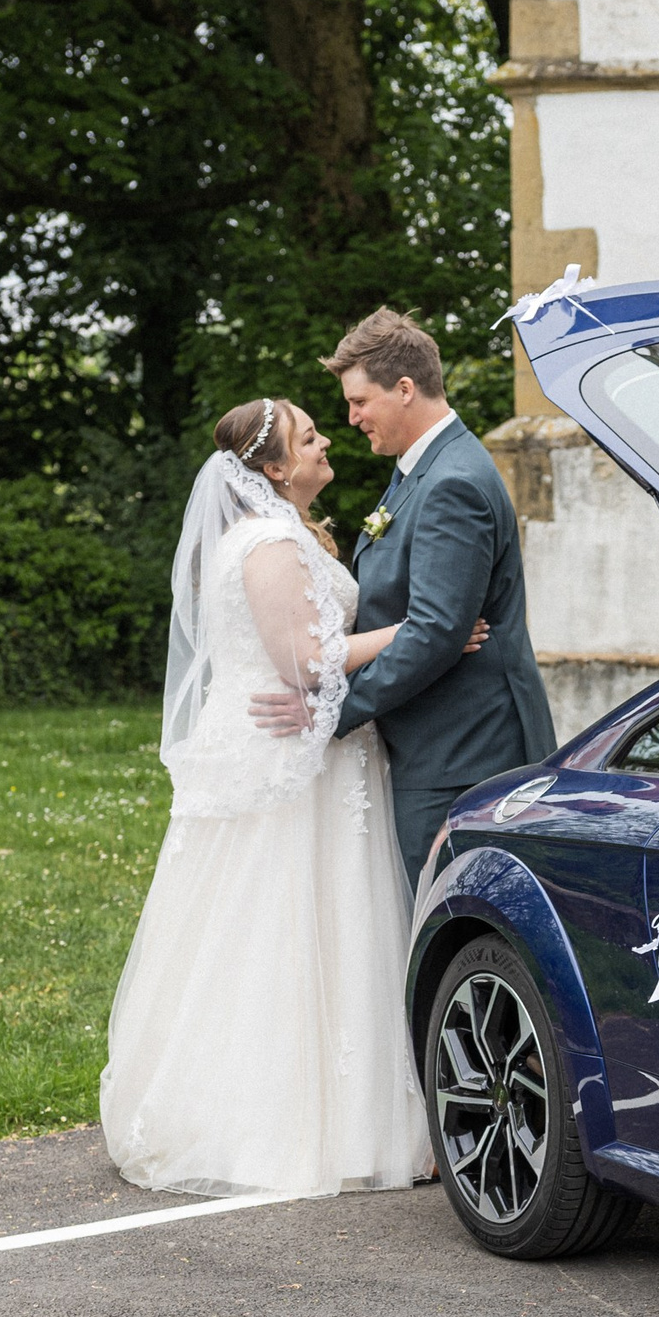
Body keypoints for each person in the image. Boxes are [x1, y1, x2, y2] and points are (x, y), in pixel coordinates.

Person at [98, 398, 486, 1198]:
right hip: (288, 762)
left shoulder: (284, 535)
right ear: (273, 469)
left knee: (327, 924)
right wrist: (426, 629)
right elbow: (306, 660)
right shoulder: (268, 545)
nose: (326, 441)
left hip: (310, 751)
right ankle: (282, 1123)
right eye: (310, 437)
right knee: (284, 922)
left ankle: (353, 1111)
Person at [250, 309, 555, 889]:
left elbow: (437, 633)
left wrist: (332, 713)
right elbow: (425, 622)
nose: (351, 417)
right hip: (437, 744)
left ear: (406, 389)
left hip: (463, 754)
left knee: (455, 915)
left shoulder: (452, 483)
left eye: (360, 401)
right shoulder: (422, 470)